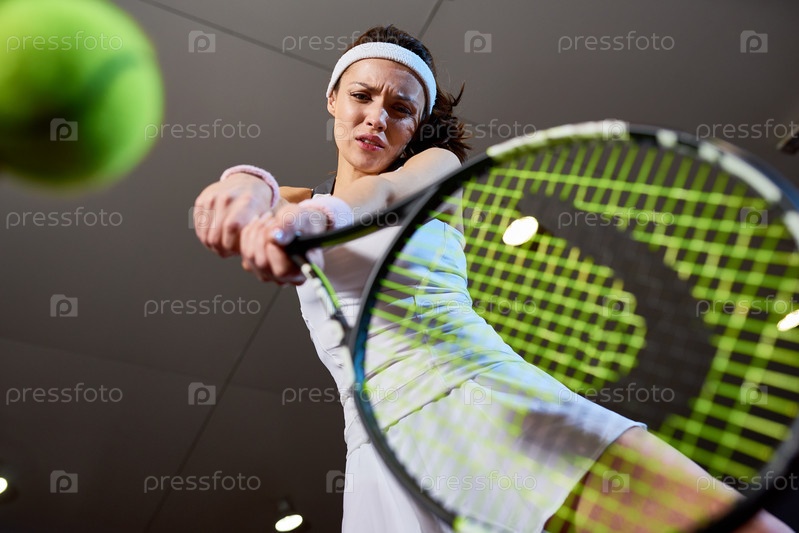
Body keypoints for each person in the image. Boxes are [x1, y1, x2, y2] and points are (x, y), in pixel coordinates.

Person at [193, 25, 791, 533]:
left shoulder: (435, 168)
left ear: (417, 125)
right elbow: (250, 190)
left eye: (400, 109)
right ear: (332, 98)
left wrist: (311, 220)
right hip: (377, 453)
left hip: (483, 400)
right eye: (362, 96)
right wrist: (242, 190)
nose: (377, 117)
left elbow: (379, 194)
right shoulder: (295, 198)